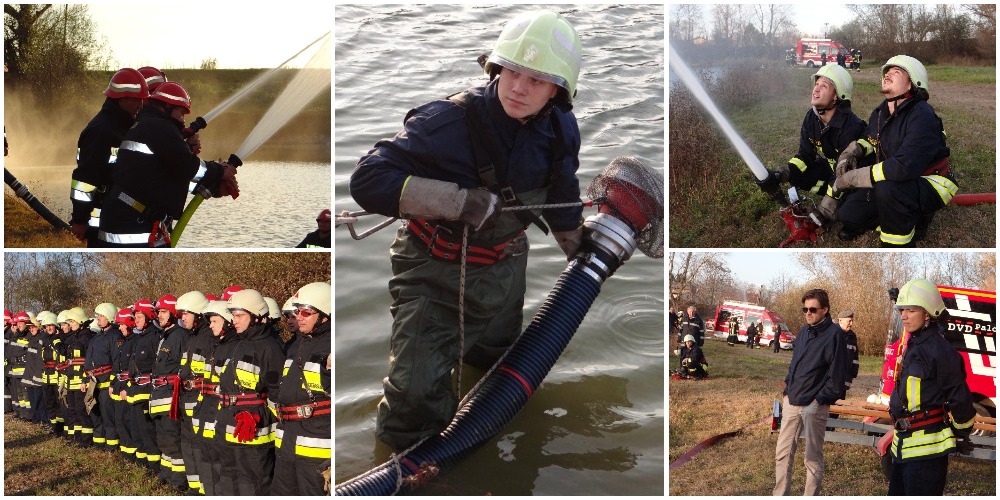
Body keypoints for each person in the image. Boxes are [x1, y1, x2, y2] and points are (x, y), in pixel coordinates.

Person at [350, 9, 584, 451]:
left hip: (506, 270)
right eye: (513, 70)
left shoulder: (560, 128)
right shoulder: (447, 123)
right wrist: (456, 201)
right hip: (431, 272)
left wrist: (576, 243)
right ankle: (404, 470)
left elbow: (563, 186)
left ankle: (491, 444)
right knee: (413, 399)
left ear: (558, 90)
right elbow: (366, 179)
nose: (519, 87)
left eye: (536, 79)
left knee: (500, 365)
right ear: (496, 67)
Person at [833, 55, 956, 247]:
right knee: (848, 215)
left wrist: (856, 177)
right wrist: (853, 151)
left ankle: (900, 241)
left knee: (888, 187)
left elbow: (905, 165)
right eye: (887, 72)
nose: (888, 75)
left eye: (896, 72)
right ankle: (906, 217)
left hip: (931, 180)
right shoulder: (881, 112)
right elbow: (871, 139)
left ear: (911, 85)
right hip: (896, 180)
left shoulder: (922, 114)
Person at [99, 82, 238, 247]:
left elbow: (169, 178)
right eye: (181, 112)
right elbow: (188, 166)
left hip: (131, 218)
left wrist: (214, 188)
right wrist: (220, 171)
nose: (183, 120)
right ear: (167, 106)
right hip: (132, 227)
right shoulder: (159, 127)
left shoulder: (148, 124)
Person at [885, 279, 975, 495]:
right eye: (901, 310)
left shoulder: (939, 350)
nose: (904, 316)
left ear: (927, 313)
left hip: (926, 456)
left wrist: (961, 433)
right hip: (902, 448)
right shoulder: (915, 344)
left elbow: (960, 398)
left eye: (911, 310)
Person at [756, 64, 866, 226]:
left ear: (836, 96)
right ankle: (833, 194)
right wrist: (782, 174)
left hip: (853, 177)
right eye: (816, 84)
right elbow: (805, 156)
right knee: (797, 176)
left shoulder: (851, 127)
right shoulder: (811, 117)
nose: (816, 89)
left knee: (847, 212)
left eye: (824, 86)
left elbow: (844, 176)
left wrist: (825, 209)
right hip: (832, 169)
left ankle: (842, 201)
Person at [773, 289, 848, 496]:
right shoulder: (804, 331)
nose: (808, 313)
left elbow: (838, 375)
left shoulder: (836, 335)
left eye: (813, 309)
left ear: (825, 309)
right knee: (783, 454)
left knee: (812, 459)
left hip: (814, 405)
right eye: (805, 309)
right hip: (792, 401)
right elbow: (794, 364)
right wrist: (788, 390)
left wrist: (820, 400)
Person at [215, 290, 284, 494]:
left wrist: (257, 413)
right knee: (230, 476)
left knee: (255, 481)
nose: (234, 321)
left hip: (254, 429)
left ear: (255, 316)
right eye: (233, 316)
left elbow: (276, 392)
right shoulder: (239, 343)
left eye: (239, 316)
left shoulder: (269, 348)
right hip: (229, 422)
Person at [71, 68, 150, 246]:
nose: (141, 106)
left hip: (119, 217)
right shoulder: (101, 131)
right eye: (137, 100)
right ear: (123, 98)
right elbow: (85, 179)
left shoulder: (125, 126)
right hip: (99, 221)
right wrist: (80, 220)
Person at [271, 282, 332, 495]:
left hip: (315, 445)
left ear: (325, 316)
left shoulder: (332, 344)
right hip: (287, 438)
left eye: (306, 312)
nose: (299, 317)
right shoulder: (296, 345)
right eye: (297, 312)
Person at [149, 294, 190, 492]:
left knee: (173, 440)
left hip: (171, 398)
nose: (159, 316)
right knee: (164, 439)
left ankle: (178, 481)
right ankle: (166, 474)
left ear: (174, 313)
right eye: (158, 312)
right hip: (160, 396)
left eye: (163, 312)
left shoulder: (181, 336)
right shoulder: (165, 336)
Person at [83, 302, 119, 449]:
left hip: (106, 386)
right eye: (98, 316)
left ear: (109, 318)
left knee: (108, 417)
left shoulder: (114, 337)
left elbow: (117, 362)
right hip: (94, 385)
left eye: (101, 316)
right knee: (95, 415)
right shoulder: (96, 338)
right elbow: (88, 362)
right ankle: (99, 443)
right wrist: (86, 380)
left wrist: (112, 383)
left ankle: (111, 447)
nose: (98, 319)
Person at [836, 310, 859, 397]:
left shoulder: (852, 336)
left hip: (845, 377)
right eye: (849, 321)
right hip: (832, 379)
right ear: (840, 320)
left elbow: (855, 357)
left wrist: (853, 373)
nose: (851, 323)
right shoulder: (833, 334)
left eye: (852, 321)